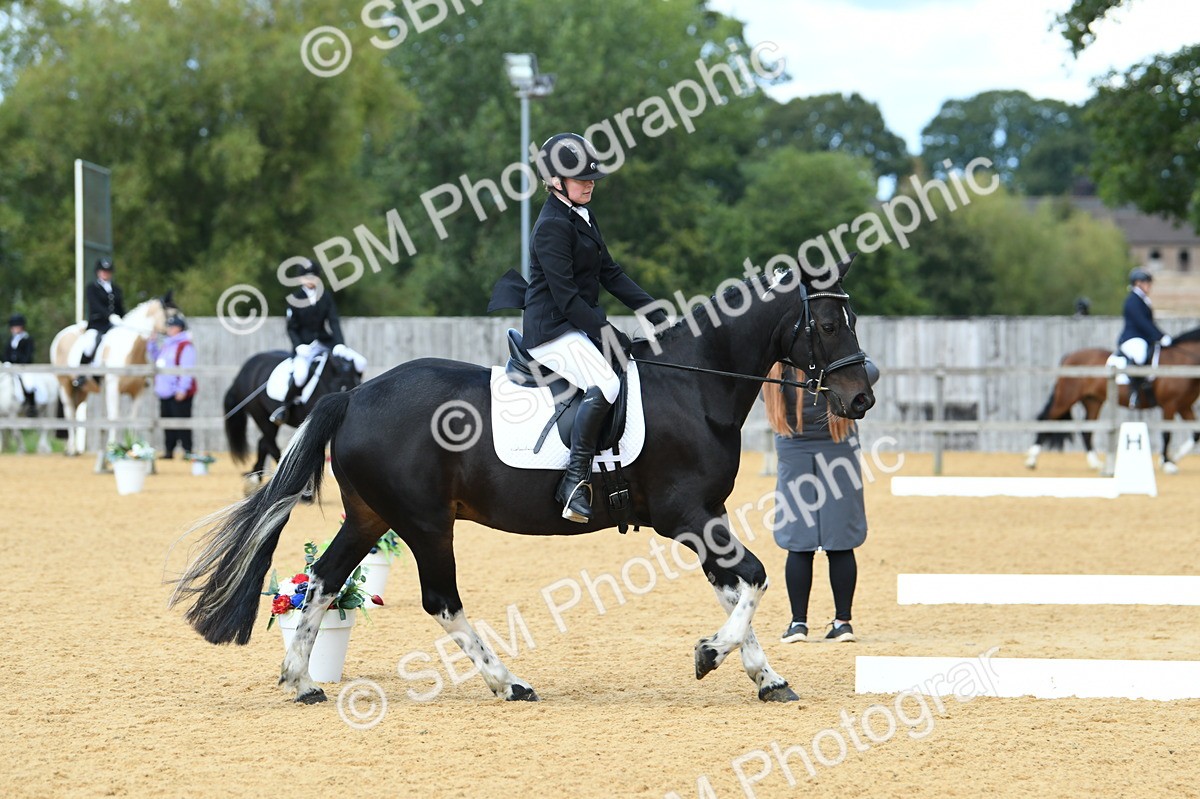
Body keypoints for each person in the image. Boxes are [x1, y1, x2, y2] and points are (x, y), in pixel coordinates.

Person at [491, 132, 668, 523]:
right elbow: (568, 297)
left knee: (628, 370)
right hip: (552, 331)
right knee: (606, 383)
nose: (589, 184)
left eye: (591, 178)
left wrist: (652, 309)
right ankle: (574, 482)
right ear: (555, 181)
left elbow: (610, 272)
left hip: (573, 324)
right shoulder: (552, 226)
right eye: (580, 179)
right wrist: (607, 332)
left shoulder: (581, 215)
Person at [765, 358, 880, 643]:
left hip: (792, 445)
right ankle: (842, 623)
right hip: (839, 443)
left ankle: (798, 624)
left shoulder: (775, 367)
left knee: (798, 541)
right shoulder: (832, 361)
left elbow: (759, 391)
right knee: (840, 541)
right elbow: (872, 372)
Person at [271, 259, 343, 425]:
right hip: (304, 346)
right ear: (300, 279)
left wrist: (339, 343)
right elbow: (291, 328)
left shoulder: (325, 296)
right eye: (307, 277)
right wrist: (298, 346)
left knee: (346, 366)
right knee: (300, 375)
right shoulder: (294, 298)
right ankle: (284, 408)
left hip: (324, 343)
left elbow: (334, 321)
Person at [1117, 267, 1172, 409]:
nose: (1149, 286)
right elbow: (1142, 322)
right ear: (1138, 283)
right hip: (1133, 338)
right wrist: (1160, 337)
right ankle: (1134, 393)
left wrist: (1161, 337)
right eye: (1147, 282)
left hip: (1144, 338)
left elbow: (1150, 323)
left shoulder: (1143, 300)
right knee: (1140, 355)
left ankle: (1148, 385)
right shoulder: (1132, 300)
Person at [148, 313, 196, 458]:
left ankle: (187, 450)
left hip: (177, 391)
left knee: (182, 422)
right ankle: (169, 450)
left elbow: (186, 369)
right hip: (165, 391)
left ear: (179, 328)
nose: (169, 329)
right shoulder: (168, 344)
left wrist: (182, 389)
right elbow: (157, 359)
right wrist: (152, 344)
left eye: (172, 326)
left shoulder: (185, 346)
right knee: (167, 422)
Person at [73, 257, 125, 389]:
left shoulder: (116, 289)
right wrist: (109, 316)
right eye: (103, 271)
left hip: (114, 326)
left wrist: (123, 320)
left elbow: (121, 308)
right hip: (98, 324)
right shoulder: (92, 288)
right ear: (98, 272)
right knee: (90, 344)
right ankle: (81, 374)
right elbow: (95, 305)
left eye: (107, 271)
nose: (105, 274)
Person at [4, 313, 37, 416]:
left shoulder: (27, 339)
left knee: (29, 384)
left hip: (23, 368)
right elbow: (5, 354)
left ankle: (31, 406)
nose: (14, 329)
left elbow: (28, 356)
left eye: (16, 326)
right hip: (10, 368)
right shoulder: (11, 340)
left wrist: (18, 360)